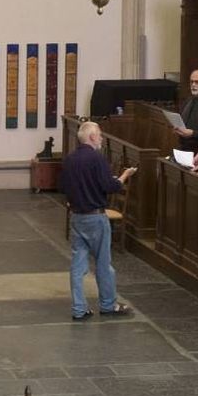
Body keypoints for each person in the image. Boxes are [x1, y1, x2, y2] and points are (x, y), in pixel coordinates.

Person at [59, 121, 136, 321]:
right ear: (92, 137)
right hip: (95, 217)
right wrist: (124, 176)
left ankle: (78, 308)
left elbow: (64, 186)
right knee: (103, 263)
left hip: (76, 216)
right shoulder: (96, 158)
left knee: (77, 264)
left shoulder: (69, 159)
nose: (101, 138)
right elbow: (110, 186)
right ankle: (108, 304)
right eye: (100, 135)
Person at [174, 69, 198, 153]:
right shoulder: (189, 100)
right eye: (192, 82)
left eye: (197, 82)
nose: (193, 85)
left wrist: (193, 133)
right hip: (183, 146)